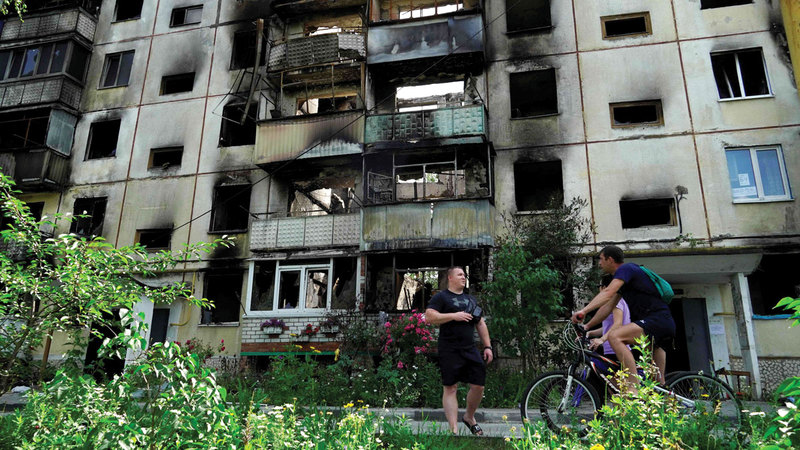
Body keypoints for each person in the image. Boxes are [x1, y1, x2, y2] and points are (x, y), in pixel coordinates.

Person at [571, 245, 675, 391]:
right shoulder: (625, 283)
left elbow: (607, 292)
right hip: (659, 323)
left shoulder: (627, 269)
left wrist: (583, 311)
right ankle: (667, 399)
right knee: (656, 385)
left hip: (657, 321)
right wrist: (587, 326)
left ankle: (633, 386)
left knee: (615, 336)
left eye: (601, 259)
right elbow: (608, 307)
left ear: (610, 259)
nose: (599, 263)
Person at [425, 267, 493, 435]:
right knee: (450, 387)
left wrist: (487, 346)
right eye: (460, 274)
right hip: (449, 348)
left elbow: (480, 323)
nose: (464, 277)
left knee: (478, 386)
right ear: (450, 277)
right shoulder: (441, 297)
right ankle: (453, 430)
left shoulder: (470, 299)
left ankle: (469, 417)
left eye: (464, 274)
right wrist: (453, 316)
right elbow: (429, 316)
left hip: (469, 348)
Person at [587, 275, 631, 359]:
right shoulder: (613, 302)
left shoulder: (616, 302)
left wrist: (601, 340)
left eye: (599, 286)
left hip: (616, 349)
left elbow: (618, 324)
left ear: (604, 287)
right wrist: (590, 333)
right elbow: (608, 328)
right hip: (611, 349)